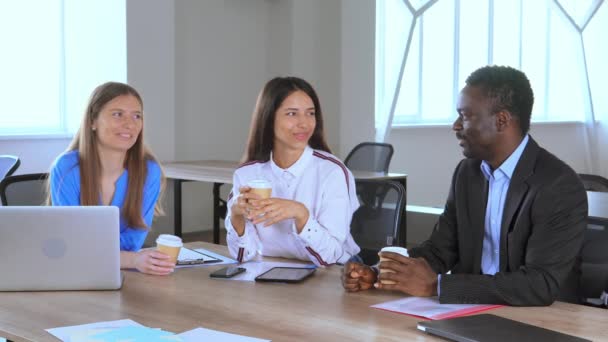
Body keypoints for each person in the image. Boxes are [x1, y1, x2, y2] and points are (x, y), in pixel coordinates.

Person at [342, 65, 588, 306]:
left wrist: (437, 286)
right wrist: (382, 274)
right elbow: (440, 251)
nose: (456, 126)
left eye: (465, 115)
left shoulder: (558, 185)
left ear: (501, 120)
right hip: (469, 310)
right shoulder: (468, 173)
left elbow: (539, 284)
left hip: (542, 322)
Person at [225, 76, 360, 266]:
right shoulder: (247, 175)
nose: (304, 123)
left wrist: (301, 214)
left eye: (310, 113)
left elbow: (332, 255)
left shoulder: (333, 172)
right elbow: (243, 255)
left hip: (335, 273)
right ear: (269, 118)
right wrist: (236, 217)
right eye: (292, 114)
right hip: (276, 269)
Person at [49, 82, 175, 276]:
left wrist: (99, 250)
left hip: (120, 274)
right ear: (92, 121)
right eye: (118, 114)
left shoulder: (149, 170)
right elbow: (72, 242)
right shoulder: (67, 168)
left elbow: (133, 241)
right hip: (72, 272)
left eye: (137, 116)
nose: (130, 124)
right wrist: (131, 259)